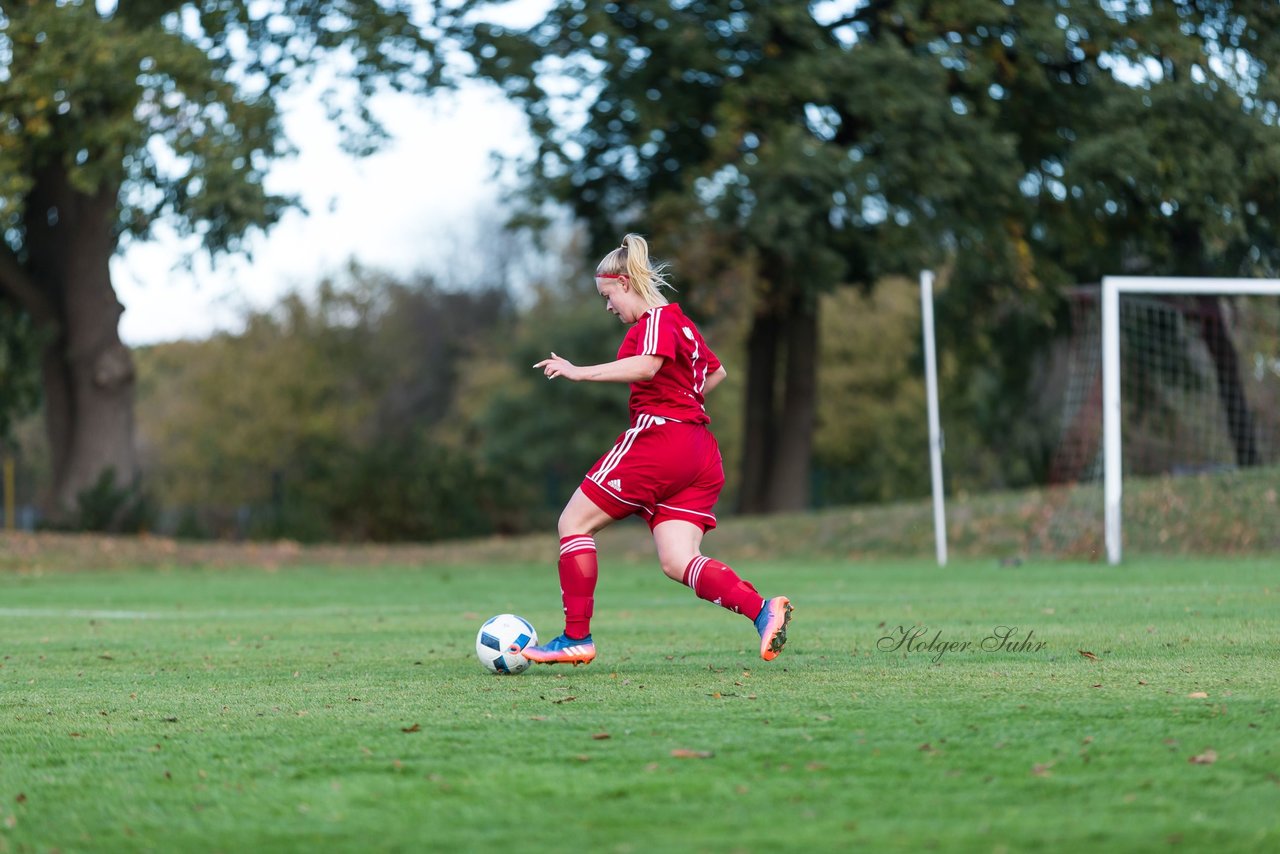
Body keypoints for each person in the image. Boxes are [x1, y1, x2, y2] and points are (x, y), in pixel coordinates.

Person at [523, 233, 792, 667]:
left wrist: (579, 372)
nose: (608, 306)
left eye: (608, 295)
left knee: (572, 523)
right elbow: (716, 372)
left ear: (626, 283)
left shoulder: (654, 322)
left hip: (661, 441)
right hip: (699, 451)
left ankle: (576, 637)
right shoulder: (682, 322)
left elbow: (648, 365)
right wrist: (684, 403)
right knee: (678, 560)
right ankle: (763, 610)